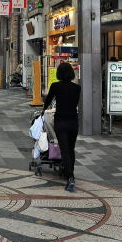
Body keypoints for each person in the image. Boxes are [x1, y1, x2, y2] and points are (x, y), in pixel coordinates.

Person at [42, 62, 81, 192]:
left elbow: (48, 101)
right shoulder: (77, 88)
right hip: (73, 122)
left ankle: (70, 177)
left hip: (61, 121)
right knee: (71, 149)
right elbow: (74, 103)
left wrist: (43, 110)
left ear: (59, 73)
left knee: (64, 150)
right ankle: (69, 172)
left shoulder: (55, 86)